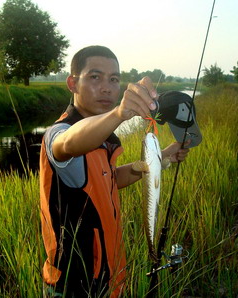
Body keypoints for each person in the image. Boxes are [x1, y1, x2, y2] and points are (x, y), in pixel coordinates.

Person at [39, 45, 190, 297]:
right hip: (73, 285)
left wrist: (159, 159)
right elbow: (67, 143)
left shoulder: (105, 139)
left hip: (107, 277)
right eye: (95, 77)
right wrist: (119, 113)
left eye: (114, 79)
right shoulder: (59, 132)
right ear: (72, 83)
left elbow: (107, 181)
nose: (107, 87)